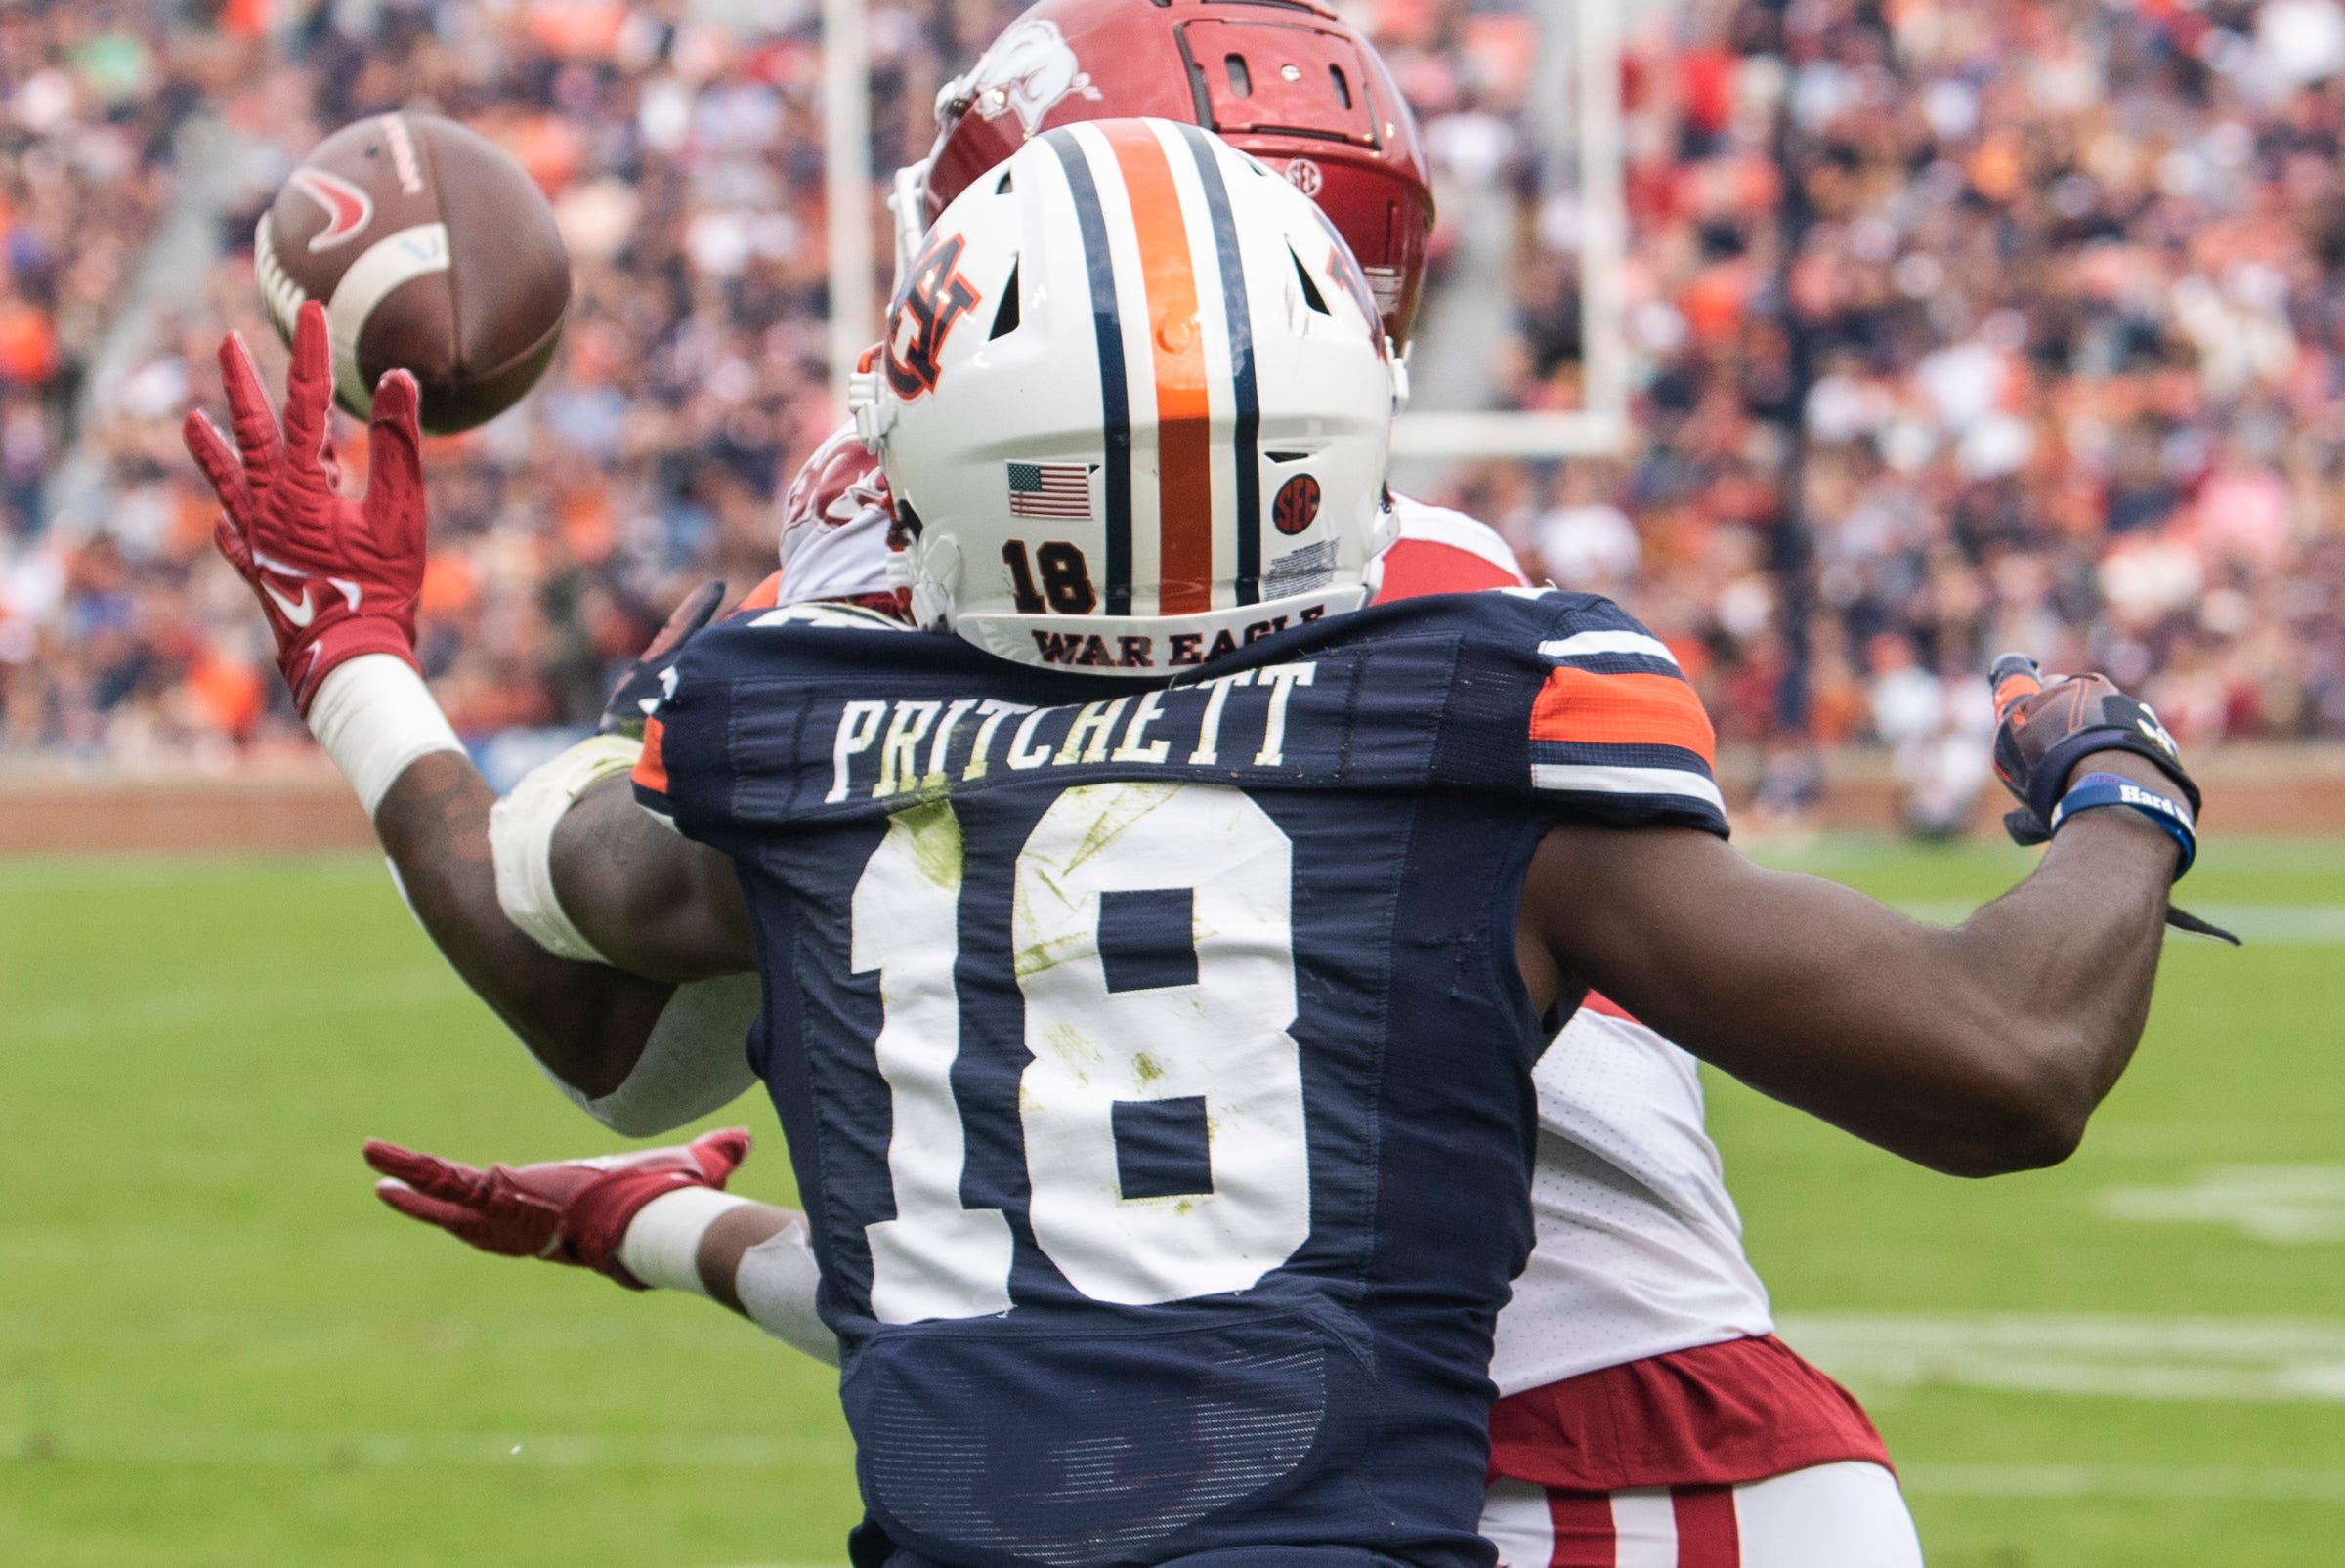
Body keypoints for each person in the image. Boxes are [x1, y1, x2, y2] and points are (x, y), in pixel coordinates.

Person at [187, 118, 2203, 1568]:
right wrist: (2121, 790)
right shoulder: (1473, 717)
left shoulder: (783, 741)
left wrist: (351, 644)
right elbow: (2006, 1060)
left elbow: (535, 915)